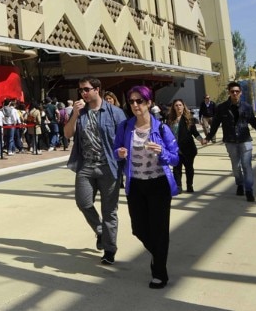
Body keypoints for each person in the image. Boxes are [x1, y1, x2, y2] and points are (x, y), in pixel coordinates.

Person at [114, 85, 180, 289]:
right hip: (136, 185)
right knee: (139, 228)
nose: (135, 105)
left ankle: (159, 272)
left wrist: (163, 152)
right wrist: (120, 153)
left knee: (159, 230)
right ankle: (157, 253)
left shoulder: (161, 128)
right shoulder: (125, 127)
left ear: (149, 103)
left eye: (139, 101)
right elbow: (115, 149)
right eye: (131, 101)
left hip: (158, 184)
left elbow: (176, 158)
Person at [64, 76, 127, 265]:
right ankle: (100, 230)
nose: (82, 93)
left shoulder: (115, 113)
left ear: (97, 89)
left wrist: (124, 155)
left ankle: (109, 250)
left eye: (85, 89)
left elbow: (125, 138)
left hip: (109, 167)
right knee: (83, 203)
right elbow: (68, 134)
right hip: (86, 166)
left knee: (110, 211)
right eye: (80, 90)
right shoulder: (80, 113)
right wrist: (74, 114)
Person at [203, 81, 256, 202]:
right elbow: (215, 124)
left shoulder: (246, 107)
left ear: (240, 93)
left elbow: (253, 121)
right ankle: (239, 184)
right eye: (232, 91)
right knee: (236, 166)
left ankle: (249, 190)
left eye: (237, 91)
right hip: (230, 140)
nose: (235, 93)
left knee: (246, 165)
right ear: (229, 92)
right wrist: (208, 137)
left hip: (245, 139)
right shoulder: (222, 108)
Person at [166, 98, 202, 193]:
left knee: (189, 168)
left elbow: (194, 132)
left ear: (183, 106)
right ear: (173, 107)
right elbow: (166, 133)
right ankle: (178, 186)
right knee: (176, 168)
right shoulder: (170, 119)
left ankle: (189, 185)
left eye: (180, 105)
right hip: (174, 149)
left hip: (188, 148)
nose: (178, 107)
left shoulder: (189, 118)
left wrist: (201, 139)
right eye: (176, 105)